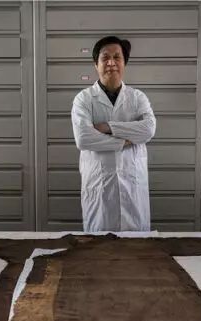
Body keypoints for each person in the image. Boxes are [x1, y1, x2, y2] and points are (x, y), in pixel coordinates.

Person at [71, 35, 156, 232]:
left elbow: (148, 129)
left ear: (124, 63)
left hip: (133, 189)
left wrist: (108, 127)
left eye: (117, 57)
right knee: (98, 246)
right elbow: (83, 138)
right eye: (105, 58)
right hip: (99, 190)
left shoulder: (137, 98)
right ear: (96, 64)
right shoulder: (84, 99)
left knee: (137, 248)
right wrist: (125, 141)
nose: (111, 63)